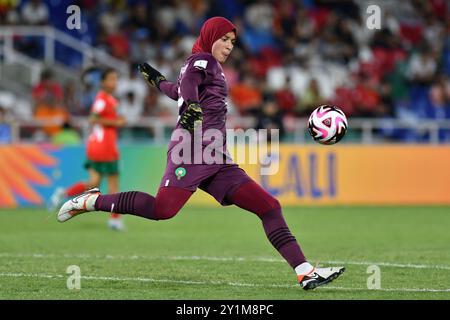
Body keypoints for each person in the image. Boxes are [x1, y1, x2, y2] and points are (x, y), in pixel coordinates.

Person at [56, 17, 345, 290]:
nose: (230, 46)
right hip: (192, 150)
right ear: (209, 38)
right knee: (162, 210)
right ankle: (91, 201)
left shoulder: (201, 64)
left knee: (269, 206)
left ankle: (305, 272)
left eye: (233, 41)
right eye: (224, 39)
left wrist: (157, 81)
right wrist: (192, 105)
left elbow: (179, 89)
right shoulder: (202, 60)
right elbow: (189, 89)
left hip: (215, 157)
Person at [50, 68, 126, 231]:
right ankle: (115, 220)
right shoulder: (102, 99)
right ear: (103, 82)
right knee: (113, 185)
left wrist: (117, 120)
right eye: (111, 79)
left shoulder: (109, 99)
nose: (114, 83)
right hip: (105, 147)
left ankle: (63, 194)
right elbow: (93, 118)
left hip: (96, 146)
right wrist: (117, 123)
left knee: (93, 183)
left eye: (115, 79)